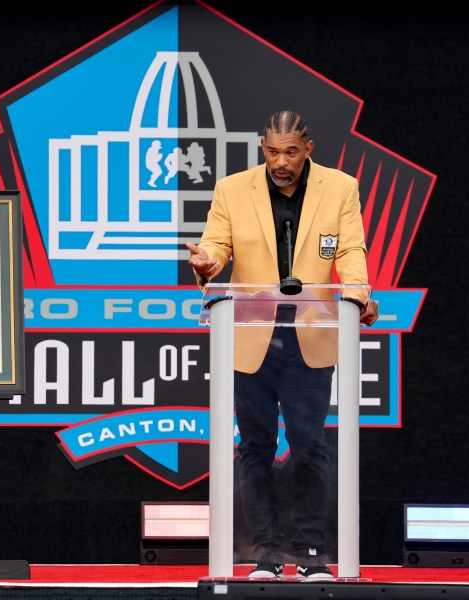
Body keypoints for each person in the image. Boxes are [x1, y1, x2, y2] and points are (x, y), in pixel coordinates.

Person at [186, 110, 379, 580]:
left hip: (311, 333)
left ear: (308, 148)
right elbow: (216, 246)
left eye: (291, 152)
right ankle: (267, 554)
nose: (281, 162)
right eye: (272, 152)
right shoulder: (233, 189)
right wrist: (208, 263)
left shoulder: (340, 187)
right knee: (254, 446)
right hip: (252, 336)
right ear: (262, 148)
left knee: (310, 445)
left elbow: (351, 250)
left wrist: (356, 295)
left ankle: (312, 554)